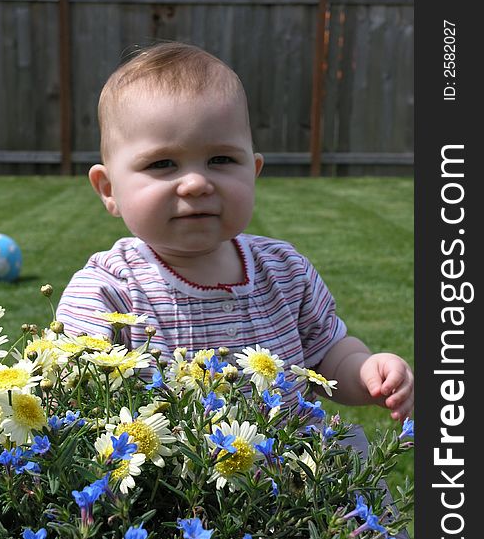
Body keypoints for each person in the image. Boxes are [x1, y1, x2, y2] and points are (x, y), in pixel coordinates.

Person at [56, 42, 414, 422]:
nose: (195, 183)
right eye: (163, 163)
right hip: (171, 478)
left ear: (253, 171)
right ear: (109, 189)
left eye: (221, 159)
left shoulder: (286, 271)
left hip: (292, 472)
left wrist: (365, 370)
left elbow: (327, 354)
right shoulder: (110, 291)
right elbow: (69, 393)